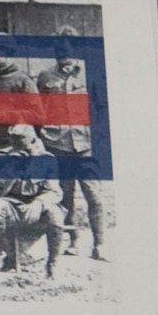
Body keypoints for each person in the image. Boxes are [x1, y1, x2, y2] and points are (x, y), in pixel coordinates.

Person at [37, 36, 105, 260]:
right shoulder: (46, 77)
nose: (63, 55)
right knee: (66, 197)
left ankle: (100, 245)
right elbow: (40, 111)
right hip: (59, 144)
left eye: (67, 50)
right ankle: (73, 241)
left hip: (85, 145)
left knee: (93, 196)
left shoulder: (89, 74)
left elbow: (101, 108)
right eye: (58, 50)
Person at [0, 125, 67, 276]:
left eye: (23, 142)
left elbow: (54, 192)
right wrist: (13, 169)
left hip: (37, 205)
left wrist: (39, 203)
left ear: (33, 139)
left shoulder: (46, 159)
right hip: (10, 203)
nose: (18, 145)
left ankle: (52, 263)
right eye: (14, 141)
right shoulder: (0, 157)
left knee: (56, 214)